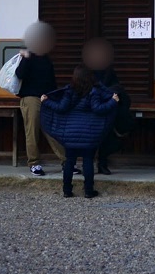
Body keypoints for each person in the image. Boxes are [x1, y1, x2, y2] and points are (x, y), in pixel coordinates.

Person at [40, 65, 119, 199]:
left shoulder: (69, 91)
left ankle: (67, 190)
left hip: (70, 134)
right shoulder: (94, 91)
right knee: (88, 161)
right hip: (89, 134)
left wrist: (46, 102)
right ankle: (88, 191)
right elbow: (99, 109)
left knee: (69, 162)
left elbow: (61, 108)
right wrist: (113, 101)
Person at [17, 21, 61, 177]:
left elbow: (52, 81)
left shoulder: (46, 58)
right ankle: (34, 163)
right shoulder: (28, 56)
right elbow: (19, 74)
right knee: (32, 131)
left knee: (53, 130)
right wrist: (26, 58)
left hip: (46, 99)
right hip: (30, 98)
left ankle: (67, 161)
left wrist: (54, 97)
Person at [83, 38, 131, 175]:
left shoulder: (109, 70)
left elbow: (116, 87)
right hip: (91, 107)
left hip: (106, 107)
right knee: (90, 139)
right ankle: (90, 165)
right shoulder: (85, 69)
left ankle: (102, 163)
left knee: (106, 138)